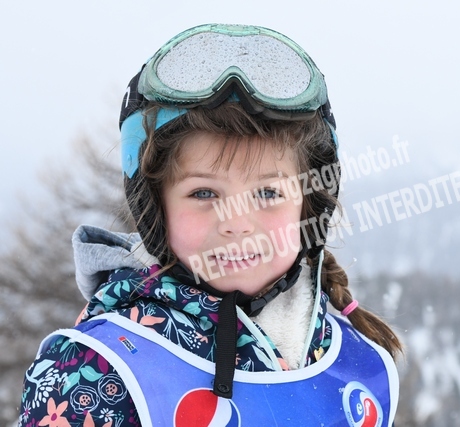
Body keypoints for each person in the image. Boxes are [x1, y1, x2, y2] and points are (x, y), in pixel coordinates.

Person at [17, 24, 402, 427]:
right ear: (156, 209)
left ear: (308, 208)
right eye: (204, 193)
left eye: (268, 193)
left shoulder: (358, 366)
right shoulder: (96, 372)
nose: (237, 223)